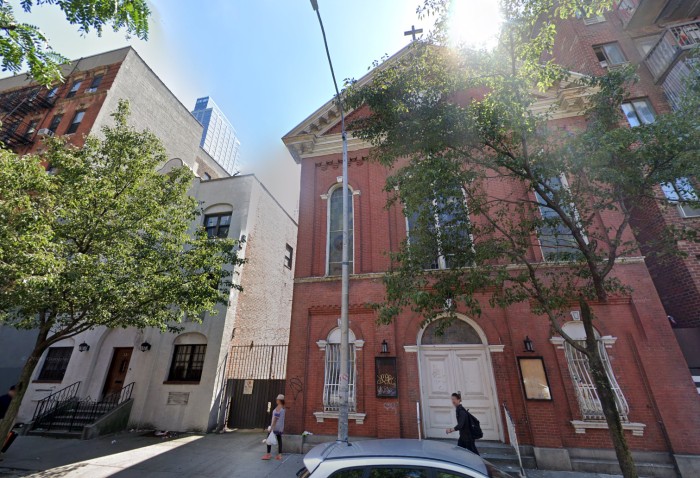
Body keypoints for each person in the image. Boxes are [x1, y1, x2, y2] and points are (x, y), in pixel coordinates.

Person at [262, 394, 285, 461]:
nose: (276, 400)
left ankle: (268, 454)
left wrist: (271, 427)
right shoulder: (283, 407)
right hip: (280, 427)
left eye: (277, 399)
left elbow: (275, 418)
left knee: (268, 439)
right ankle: (279, 455)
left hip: (275, 427)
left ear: (279, 400)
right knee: (279, 440)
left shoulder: (278, 408)